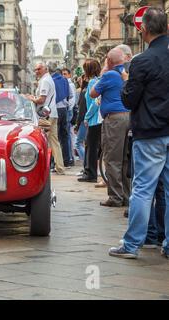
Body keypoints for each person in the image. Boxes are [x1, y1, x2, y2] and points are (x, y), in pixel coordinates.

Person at [109, 7, 169, 259]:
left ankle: (132, 244)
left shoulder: (141, 61)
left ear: (142, 30)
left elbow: (129, 100)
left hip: (150, 132)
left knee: (143, 189)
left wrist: (125, 81)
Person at [90, 48, 131, 208]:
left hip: (114, 119)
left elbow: (93, 93)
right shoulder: (128, 72)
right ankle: (127, 196)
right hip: (129, 117)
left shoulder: (109, 75)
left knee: (112, 159)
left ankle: (115, 197)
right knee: (126, 160)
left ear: (109, 60)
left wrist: (105, 70)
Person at [26, 62, 65, 175]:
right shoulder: (47, 79)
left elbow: (42, 100)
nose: (36, 71)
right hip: (52, 113)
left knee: (41, 141)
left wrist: (30, 98)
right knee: (54, 141)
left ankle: (41, 167)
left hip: (45, 115)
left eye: (38, 69)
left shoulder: (45, 81)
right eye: (35, 69)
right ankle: (60, 167)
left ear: (45, 69)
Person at [78, 59, 102, 183]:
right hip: (97, 118)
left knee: (91, 147)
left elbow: (94, 103)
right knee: (91, 145)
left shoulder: (93, 82)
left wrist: (86, 117)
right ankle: (89, 171)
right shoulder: (98, 80)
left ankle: (90, 173)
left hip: (94, 119)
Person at [51, 65, 72, 168]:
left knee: (54, 137)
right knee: (64, 136)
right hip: (64, 109)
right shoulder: (65, 80)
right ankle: (66, 161)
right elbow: (70, 95)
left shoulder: (52, 80)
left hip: (55, 110)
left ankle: (55, 163)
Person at [62, 68, 77, 166]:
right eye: (62, 74)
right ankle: (70, 157)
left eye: (65, 74)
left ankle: (70, 158)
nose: (64, 76)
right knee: (69, 135)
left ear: (69, 75)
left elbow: (72, 99)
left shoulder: (70, 85)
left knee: (68, 135)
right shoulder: (66, 84)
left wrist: (68, 109)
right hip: (68, 110)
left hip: (68, 111)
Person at [74, 75, 89, 163]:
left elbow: (81, 111)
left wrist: (77, 125)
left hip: (84, 120)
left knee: (78, 143)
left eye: (80, 81)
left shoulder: (84, 92)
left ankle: (85, 165)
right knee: (85, 143)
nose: (79, 82)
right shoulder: (88, 90)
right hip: (89, 120)